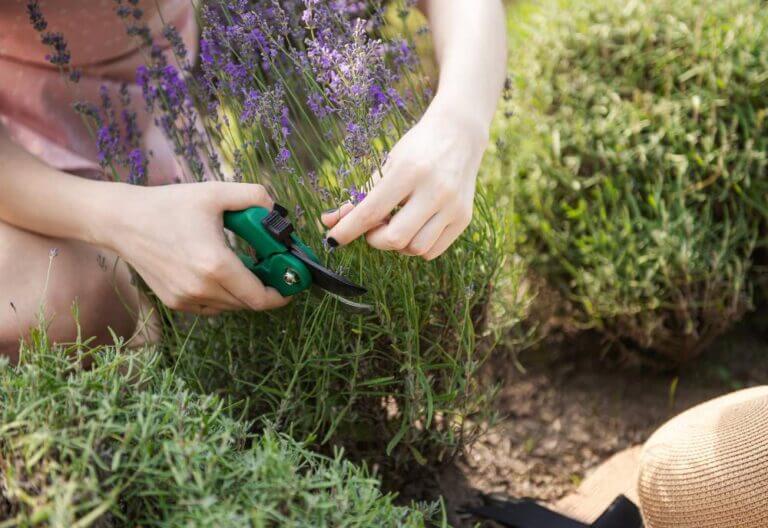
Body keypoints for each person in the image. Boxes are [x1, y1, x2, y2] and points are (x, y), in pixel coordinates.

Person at [0, 0, 508, 362]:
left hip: (157, 126)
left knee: (196, 305)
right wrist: (116, 217)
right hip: (18, 162)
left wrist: (460, 120)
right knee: (61, 303)